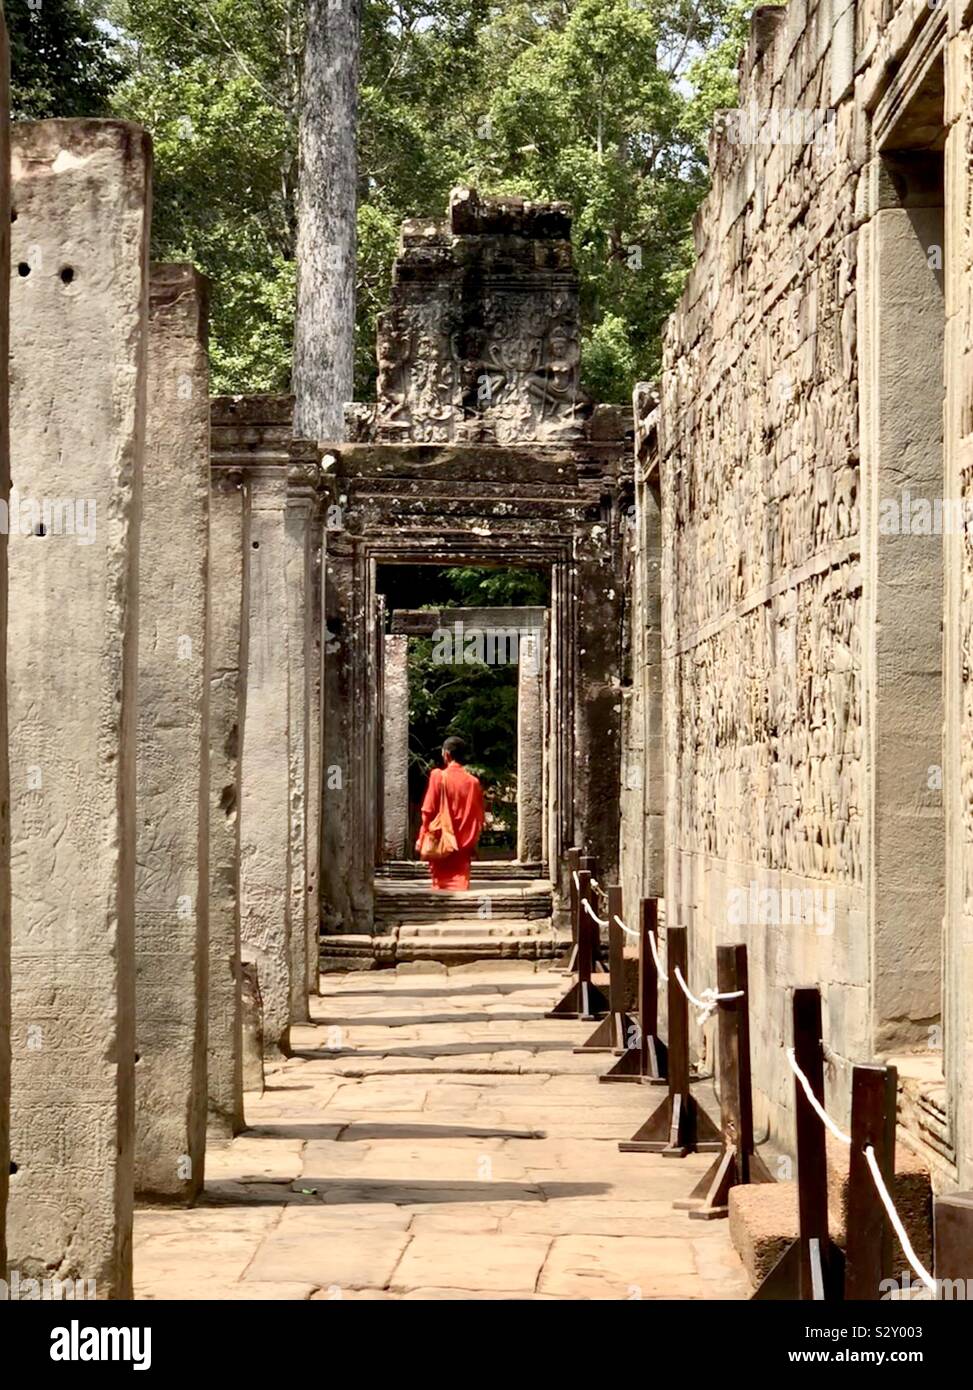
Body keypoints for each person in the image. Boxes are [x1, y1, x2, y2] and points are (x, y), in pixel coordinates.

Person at [417, 736, 485, 890]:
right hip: (463, 845)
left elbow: (427, 810)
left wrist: (423, 834)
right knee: (460, 883)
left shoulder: (438, 776)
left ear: (446, 754)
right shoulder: (473, 783)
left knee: (440, 886)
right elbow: (478, 817)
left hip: (442, 843)